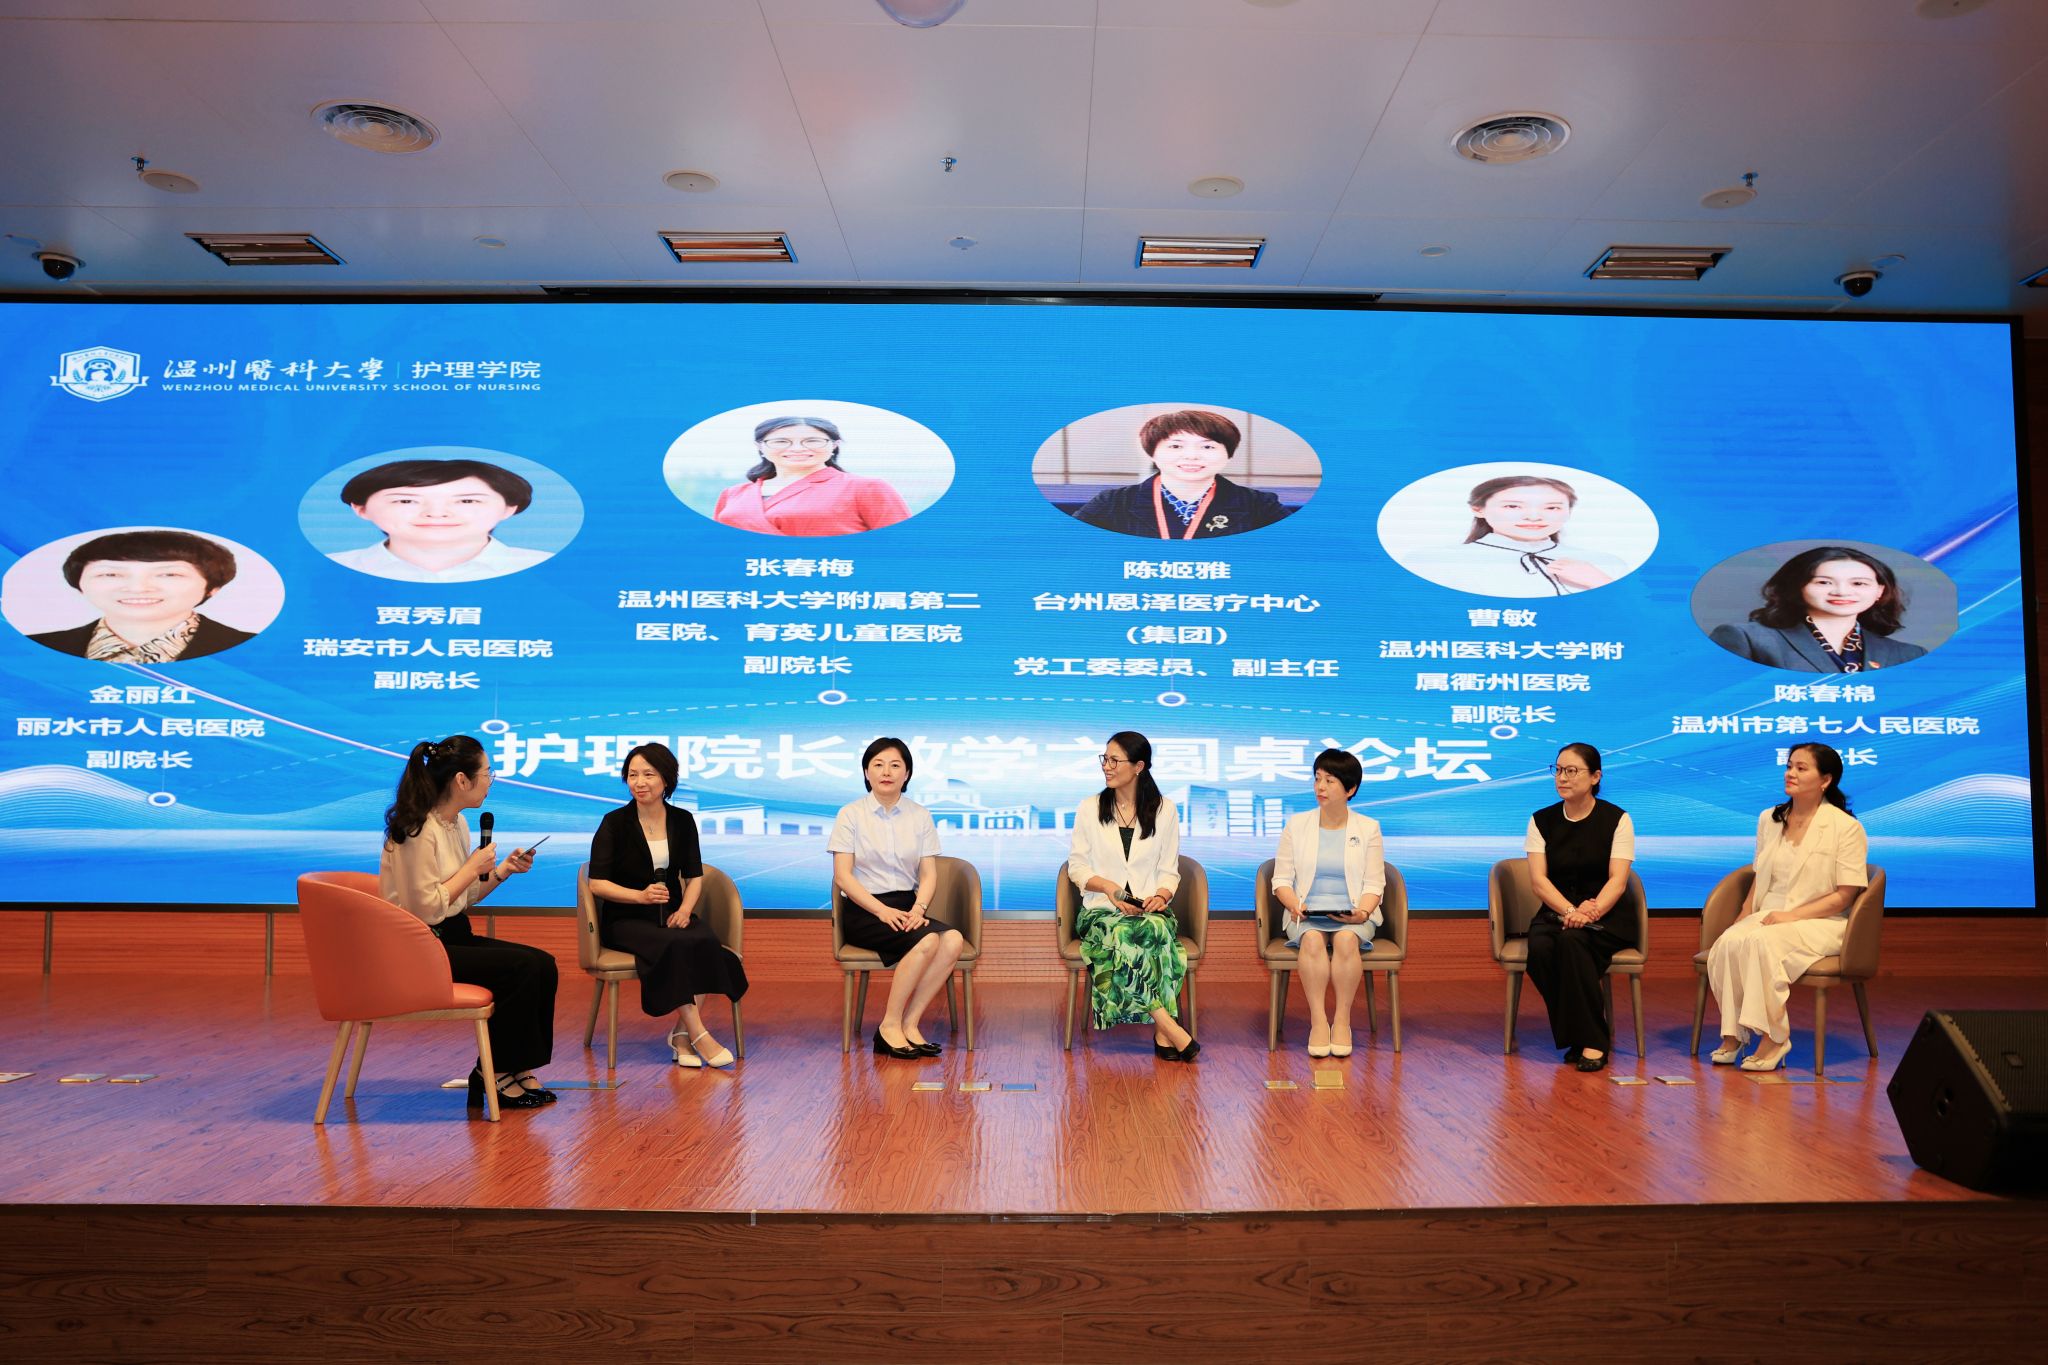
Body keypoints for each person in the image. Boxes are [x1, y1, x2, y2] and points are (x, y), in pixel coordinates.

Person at [378, 735, 557, 1112]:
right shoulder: (415, 829)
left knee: (543, 963)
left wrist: (502, 870)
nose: (491, 781)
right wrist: (472, 867)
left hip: (452, 934)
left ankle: (515, 1067)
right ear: (462, 780)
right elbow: (427, 909)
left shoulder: (455, 823)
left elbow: (462, 897)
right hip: (420, 946)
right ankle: (493, 1073)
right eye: (488, 773)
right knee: (521, 968)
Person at [1705, 742, 1869, 1072]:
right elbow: (1759, 875)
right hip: (1772, 915)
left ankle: (1775, 1037)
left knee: (1762, 943)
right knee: (1729, 942)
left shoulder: (1846, 827)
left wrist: (1792, 916)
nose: (1790, 773)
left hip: (1823, 921)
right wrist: (1744, 914)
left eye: (1801, 768)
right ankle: (1734, 1034)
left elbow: (1845, 895)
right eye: (1789, 766)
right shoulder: (1770, 819)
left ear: (1825, 780)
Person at [586, 742, 748, 1069]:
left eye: (648, 774)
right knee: (674, 945)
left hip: (672, 911)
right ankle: (698, 1034)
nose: (639, 782)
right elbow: (597, 883)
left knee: (704, 942)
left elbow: (694, 876)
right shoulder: (614, 822)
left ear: (666, 779)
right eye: (633, 775)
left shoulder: (682, 820)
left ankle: (681, 1035)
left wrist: (685, 910)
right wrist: (639, 896)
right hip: (626, 917)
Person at [828, 737, 966, 1058]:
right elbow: (843, 876)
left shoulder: (920, 815)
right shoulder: (850, 814)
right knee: (927, 941)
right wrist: (881, 911)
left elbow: (928, 874)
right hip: (864, 910)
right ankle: (889, 1025)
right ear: (866, 772)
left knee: (953, 939)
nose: (886, 772)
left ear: (907, 774)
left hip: (906, 906)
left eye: (894, 765)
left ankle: (910, 1023)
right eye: (877, 765)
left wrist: (919, 908)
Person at [1068, 731, 1197, 1060]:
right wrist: (1109, 889)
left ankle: (1163, 1031)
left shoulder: (1165, 809)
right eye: (1105, 759)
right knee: (1124, 933)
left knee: (1155, 929)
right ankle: (1168, 1026)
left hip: (1148, 909)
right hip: (1101, 911)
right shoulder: (1090, 808)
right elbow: (1077, 868)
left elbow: (1169, 870)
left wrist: (1162, 895)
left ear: (1138, 766)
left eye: (1115, 760)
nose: (1106, 766)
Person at [1521, 742, 1637, 1072]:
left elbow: (1618, 880)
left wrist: (1591, 911)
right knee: (1541, 949)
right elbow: (1539, 881)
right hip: (1556, 912)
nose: (1562, 777)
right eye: (1558, 770)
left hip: (1607, 915)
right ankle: (1582, 1033)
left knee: (1574, 942)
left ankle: (1592, 1041)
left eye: (1571, 771)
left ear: (1595, 776)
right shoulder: (1540, 820)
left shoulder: (1617, 819)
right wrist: (1571, 912)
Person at [1269, 749, 1384, 1058]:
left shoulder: (1368, 828)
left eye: (1330, 781)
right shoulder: (1297, 824)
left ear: (1350, 789)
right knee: (1311, 940)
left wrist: (1363, 912)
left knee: (1346, 940)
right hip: (1306, 911)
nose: (1320, 787)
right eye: (1317, 778)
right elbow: (1281, 880)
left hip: (1355, 912)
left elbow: (1375, 883)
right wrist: (1294, 905)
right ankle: (1319, 1021)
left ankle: (1342, 1021)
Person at [28, 529, 256, 662]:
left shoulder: (254, 650)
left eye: (168, 574)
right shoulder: (32, 648)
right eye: (111, 574)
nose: (137, 588)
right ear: (79, 585)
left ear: (212, 587)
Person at [1072, 409, 1292, 540]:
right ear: (1152, 453)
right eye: (1176, 446)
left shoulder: (1260, 505)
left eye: (1208, 447)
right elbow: (1066, 549)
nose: (1192, 456)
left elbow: (1295, 555)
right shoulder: (1112, 503)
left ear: (1228, 455)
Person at [329, 458, 555, 582]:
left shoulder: (548, 569)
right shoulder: (330, 568)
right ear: (361, 509)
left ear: (509, 509)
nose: (436, 513)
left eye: (467, 501)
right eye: (406, 501)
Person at [1709, 546, 1928, 672]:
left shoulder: (1909, 654)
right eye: (1824, 582)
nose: (1842, 592)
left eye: (1858, 583)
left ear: (1880, 591)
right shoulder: (1746, 639)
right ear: (1797, 586)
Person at [1409, 475, 1627, 597]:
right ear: (1478, 509)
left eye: (1552, 508)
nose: (1534, 516)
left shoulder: (1605, 563)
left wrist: (1601, 583)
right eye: (1513, 506)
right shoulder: (1435, 561)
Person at [712, 416, 911, 536]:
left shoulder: (866, 488)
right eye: (781, 441)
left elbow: (901, 544)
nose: (797, 449)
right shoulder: (733, 493)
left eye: (812, 441)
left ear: (834, 445)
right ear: (760, 447)